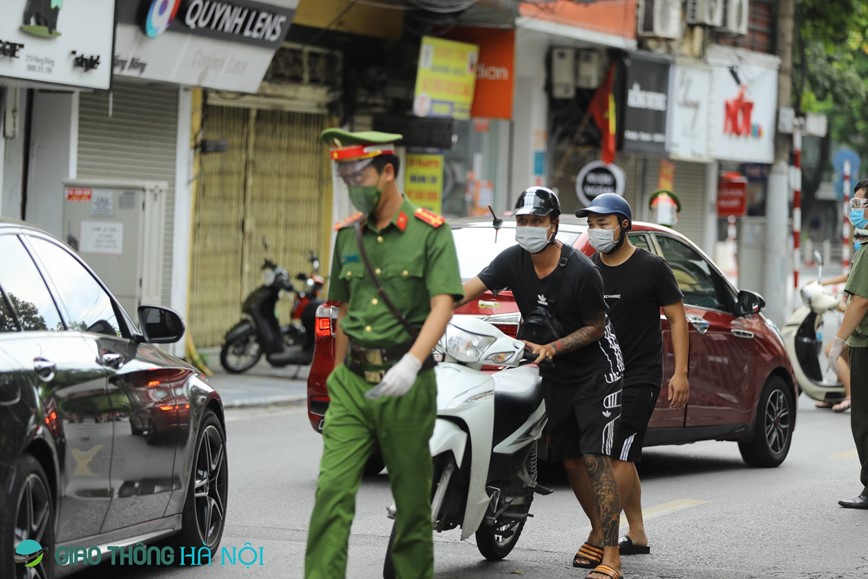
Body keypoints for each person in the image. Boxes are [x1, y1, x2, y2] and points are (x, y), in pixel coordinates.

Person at [305, 129, 463, 578]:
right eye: (344, 176)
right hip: (353, 384)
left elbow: (443, 304)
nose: (352, 184)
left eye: (358, 174)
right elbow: (344, 311)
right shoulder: (347, 236)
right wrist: (337, 379)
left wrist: (413, 362)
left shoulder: (430, 233)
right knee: (331, 494)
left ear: (387, 171)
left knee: (413, 505)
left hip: (408, 385)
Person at [459, 187, 625, 579]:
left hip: (597, 370)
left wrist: (554, 347)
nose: (528, 228)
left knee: (594, 458)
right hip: (555, 372)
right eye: (522, 221)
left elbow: (596, 328)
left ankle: (612, 557)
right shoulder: (513, 260)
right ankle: (599, 531)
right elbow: (466, 291)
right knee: (569, 459)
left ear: (553, 225)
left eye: (536, 221)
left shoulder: (582, 271)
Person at [575, 193, 690, 556]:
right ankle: (637, 534)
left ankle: (603, 537)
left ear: (624, 225)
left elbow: (677, 318)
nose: (596, 231)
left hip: (640, 375)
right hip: (601, 376)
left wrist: (681, 374)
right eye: (591, 224)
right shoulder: (589, 268)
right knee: (621, 456)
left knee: (617, 458)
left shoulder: (652, 267)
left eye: (603, 223)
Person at [829, 178, 868, 510]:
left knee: (864, 419)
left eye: (860, 205)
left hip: (866, 345)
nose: (854, 211)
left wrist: (839, 341)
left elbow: (861, 302)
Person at [817, 228, 868, 413]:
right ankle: (839, 394)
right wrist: (823, 284)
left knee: (833, 350)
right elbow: (848, 278)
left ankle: (849, 396)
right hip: (857, 331)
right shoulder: (860, 254)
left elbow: (861, 300)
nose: (858, 240)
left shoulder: (865, 252)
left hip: (861, 331)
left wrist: (839, 339)